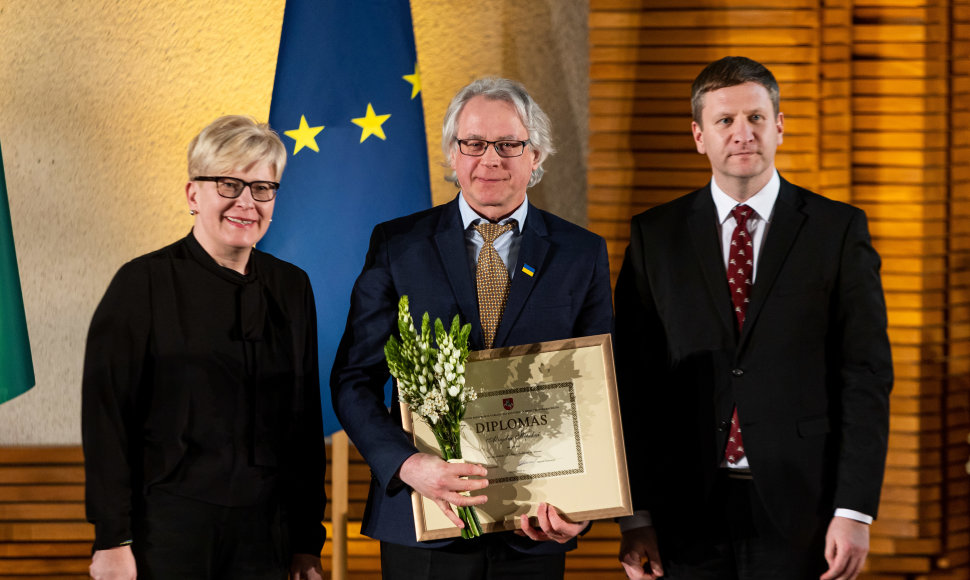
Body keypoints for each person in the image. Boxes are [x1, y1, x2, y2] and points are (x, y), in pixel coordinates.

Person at [614, 56, 893, 580]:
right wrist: (637, 517)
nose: (742, 134)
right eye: (724, 121)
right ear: (699, 136)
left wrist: (854, 510)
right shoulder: (655, 236)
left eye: (756, 118)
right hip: (683, 511)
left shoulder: (837, 231)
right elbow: (634, 383)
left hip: (803, 511)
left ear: (779, 126)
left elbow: (866, 377)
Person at [330, 77, 613, 579]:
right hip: (424, 523)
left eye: (509, 144)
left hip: (536, 526)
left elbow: (600, 390)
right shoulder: (398, 245)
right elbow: (353, 380)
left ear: (536, 155)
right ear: (453, 154)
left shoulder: (581, 252)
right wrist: (407, 465)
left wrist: (583, 507)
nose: (491, 159)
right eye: (474, 144)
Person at [82, 115, 326, 580]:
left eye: (262, 188)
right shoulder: (143, 283)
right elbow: (106, 419)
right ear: (194, 195)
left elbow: (303, 424)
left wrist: (306, 543)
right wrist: (112, 539)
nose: (247, 203)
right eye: (229, 185)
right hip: (168, 531)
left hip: (266, 534)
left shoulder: (292, 287)